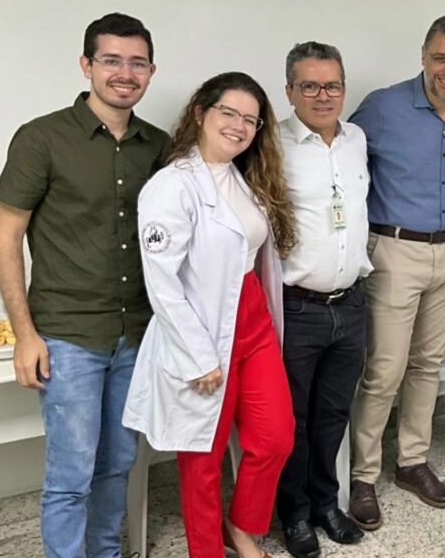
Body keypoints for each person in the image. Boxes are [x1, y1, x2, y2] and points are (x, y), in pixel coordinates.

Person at [0, 12, 168, 558]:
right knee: (70, 474)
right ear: (86, 64)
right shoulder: (42, 138)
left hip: (136, 334)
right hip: (68, 336)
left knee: (117, 463)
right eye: (111, 60)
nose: (125, 73)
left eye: (137, 63)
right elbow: (6, 237)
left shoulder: (158, 146)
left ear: (151, 71)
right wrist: (25, 335)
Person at [123, 72, 296, 558]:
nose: (239, 126)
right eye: (229, 113)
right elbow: (162, 282)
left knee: (275, 437)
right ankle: (206, 551)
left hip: (253, 325)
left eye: (250, 120)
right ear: (200, 112)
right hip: (201, 331)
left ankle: (240, 527)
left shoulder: (243, 177)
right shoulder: (170, 186)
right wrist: (197, 355)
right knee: (202, 459)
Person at [347, 15, 445, 529]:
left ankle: (411, 461)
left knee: (428, 363)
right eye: (441, 58)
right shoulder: (383, 107)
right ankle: (363, 475)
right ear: (424, 55)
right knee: (385, 369)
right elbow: (342, 158)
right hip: (395, 249)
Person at [275, 42, 369, 557]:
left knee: (334, 413)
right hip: (298, 308)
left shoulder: (356, 140)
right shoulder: (271, 145)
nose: (322, 95)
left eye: (331, 85)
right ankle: (293, 514)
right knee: (293, 419)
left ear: (343, 88)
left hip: (351, 305)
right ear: (290, 91)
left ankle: (326, 504)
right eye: (309, 85)